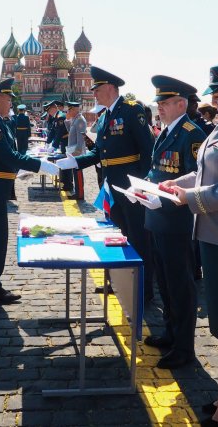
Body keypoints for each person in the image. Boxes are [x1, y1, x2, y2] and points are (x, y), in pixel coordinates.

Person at [165, 62, 218, 425]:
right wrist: (176, 186)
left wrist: (191, 198)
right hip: (211, 236)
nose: (217, 103)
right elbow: (205, 172)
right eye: (217, 97)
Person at [57, 66, 156, 301]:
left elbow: (148, 150)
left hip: (131, 188)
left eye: (97, 89)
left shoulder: (132, 110)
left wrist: (141, 184)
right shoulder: (104, 118)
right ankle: (119, 282)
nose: (94, 94)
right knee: (116, 236)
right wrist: (71, 163)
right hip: (111, 186)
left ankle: (143, 289)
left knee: (138, 238)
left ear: (111, 88)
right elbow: (98, 154)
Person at [133, 75, 206, 370]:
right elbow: (157, 171)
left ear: (181, 104)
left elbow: (196, 178)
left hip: (177, 222)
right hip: (157, 217)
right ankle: (170, 333)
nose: (159, 108)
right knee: (164, 282)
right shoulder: (166, 132)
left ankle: (184, 347)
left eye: (164, 103)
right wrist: (143, 186)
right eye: (158, 103)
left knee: (180, 285)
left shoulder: (191, 134)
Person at [0, 78, 59, 304]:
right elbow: (7, 156)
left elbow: (1, 158)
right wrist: (39, 166)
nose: (10, 103)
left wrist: (18, 171)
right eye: (8, 99)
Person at [64, 101, 87, 200]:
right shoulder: (75, 119)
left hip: (77, 152)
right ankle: (77, 192)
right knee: (75, 172)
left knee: (78, 173)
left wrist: (77, 151)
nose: (68, 111)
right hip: (73, 151)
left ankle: (80, 194)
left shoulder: (80, 120)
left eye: (69, 110)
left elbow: (81, 137)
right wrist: (67, 119)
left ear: (74, 109)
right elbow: (70, 131)